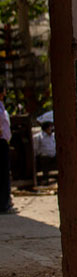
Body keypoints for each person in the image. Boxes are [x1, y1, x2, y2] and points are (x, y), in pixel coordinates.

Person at [0, 86, 13, 214]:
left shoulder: (2, 106)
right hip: (1, 142)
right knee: (3, 173)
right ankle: (3, 204)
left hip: (4, 142)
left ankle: (5, 202)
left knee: (4, 173)